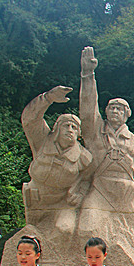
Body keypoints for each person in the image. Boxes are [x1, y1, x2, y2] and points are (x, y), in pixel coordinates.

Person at [78, 46, 134, 236]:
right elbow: (88, 108)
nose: (115, 111)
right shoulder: (95, 132)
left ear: (127, 114)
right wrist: (88, 75)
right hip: (100, 188)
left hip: (126, 192)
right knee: (87, 228)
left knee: (130, 235)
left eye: (120, 109)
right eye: (112, 108)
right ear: (106, 112)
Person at [21, 85, 92, 233]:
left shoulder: (84, 157)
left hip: (62, 203)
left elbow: (87, 180)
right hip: (36, 199)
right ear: (57, 128)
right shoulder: (42, 140)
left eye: (74, 127)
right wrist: (48, 98)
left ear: (79, 134)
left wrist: (80, 194)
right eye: (66, 126)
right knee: (31, 234)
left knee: (65, 230)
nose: (70, 130)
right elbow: (29, 120)